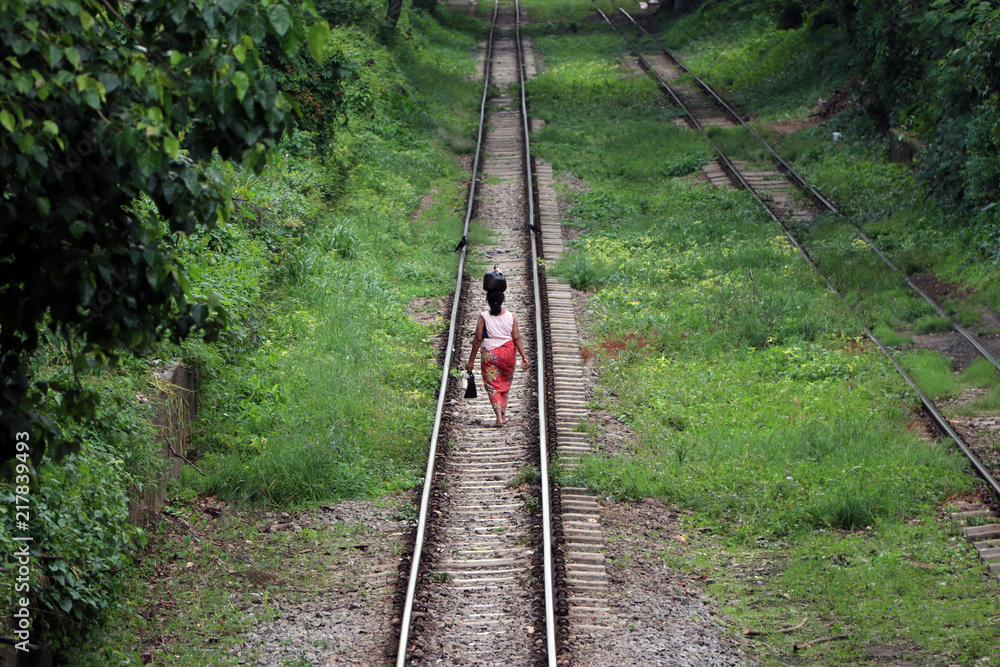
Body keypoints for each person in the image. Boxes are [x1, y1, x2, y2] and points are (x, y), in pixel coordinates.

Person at [465, 289, 529, 427]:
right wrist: (524, 357)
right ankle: (503, 415)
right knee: (505, 382)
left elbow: (477, 339)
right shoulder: (511, 317)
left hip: (490, 355)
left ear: (488, 301)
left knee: (492, 385)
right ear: (502, 301)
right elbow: (517, 337)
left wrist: (471, 360)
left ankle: (499, 417)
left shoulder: (483, 317)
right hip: (508, 354)